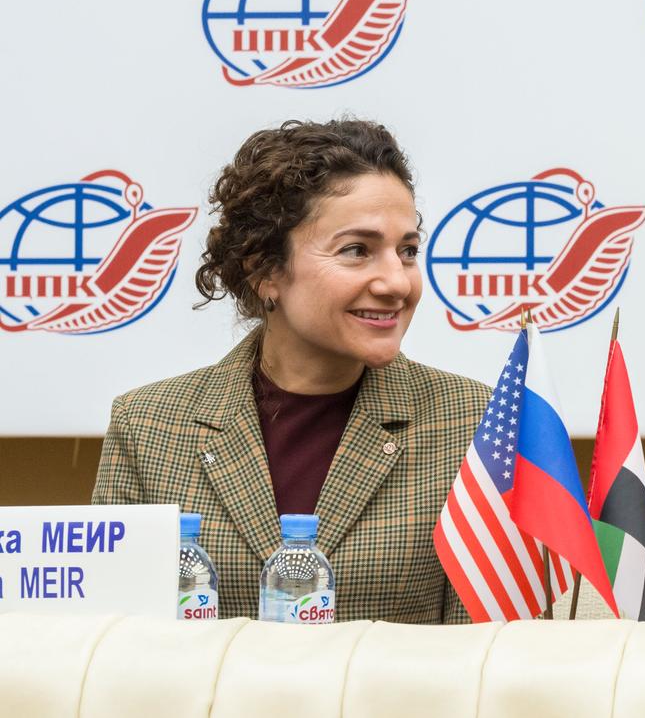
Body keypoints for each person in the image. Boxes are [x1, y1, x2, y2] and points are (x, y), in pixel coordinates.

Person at [92, 119, 488, 623]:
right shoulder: (147, 427)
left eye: (407, 250)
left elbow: (488, 666)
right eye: (356, 250)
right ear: (264, 270)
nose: (397, 281)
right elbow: (113, 653)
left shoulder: (476, 424)